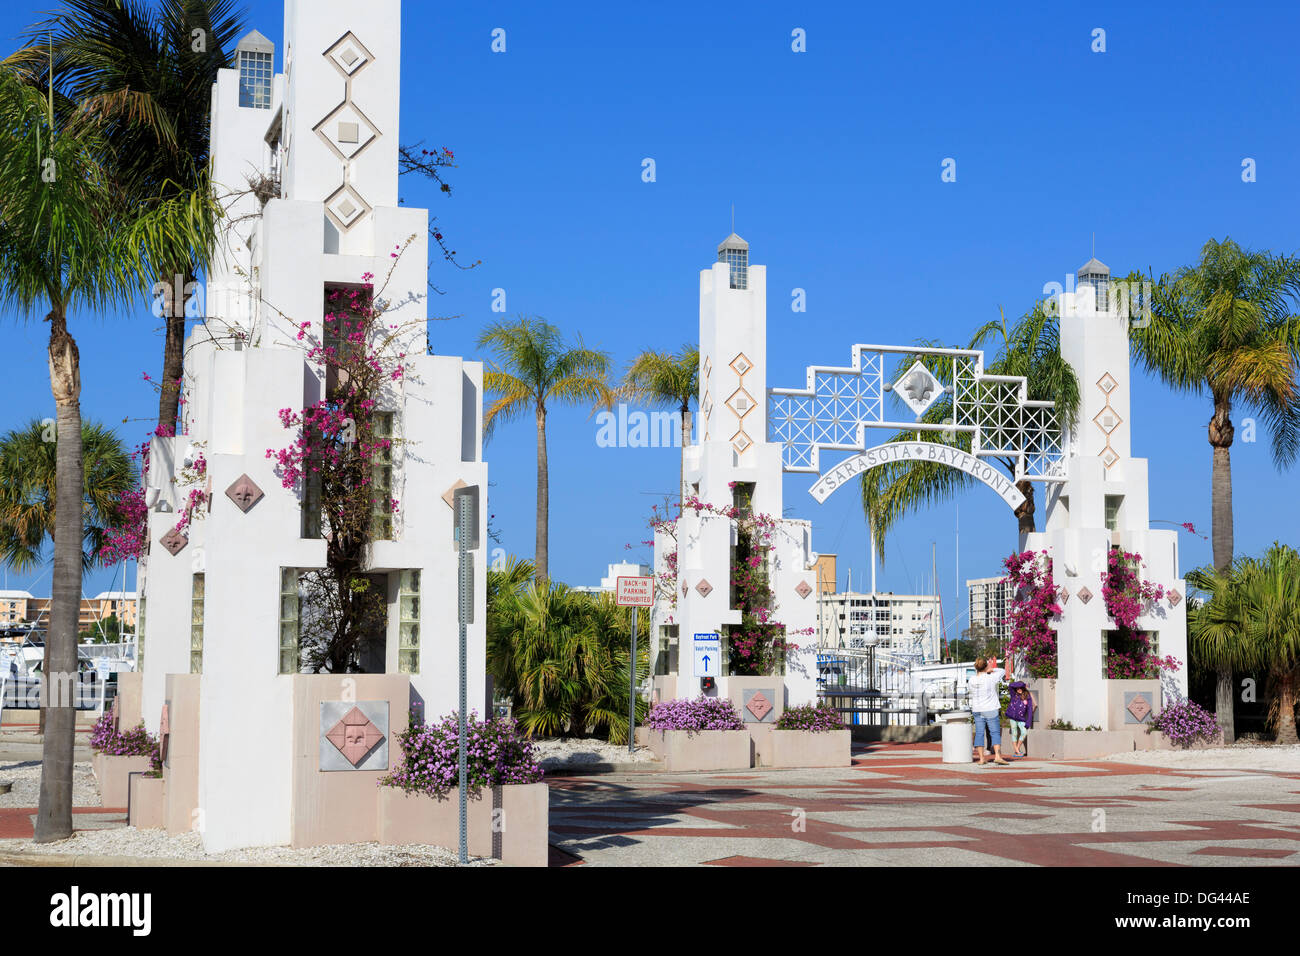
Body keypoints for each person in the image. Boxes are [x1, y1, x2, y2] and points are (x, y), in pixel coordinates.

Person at [969, 655, 1012, 766]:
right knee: (995, 733)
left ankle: (982, 758)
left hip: (977, 709)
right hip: (990, 708)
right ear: (986, 666)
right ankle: (997, 756)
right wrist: (991, 669)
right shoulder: (991, 677)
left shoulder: (972, 680)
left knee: (979, 733)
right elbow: (1002, 671)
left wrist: (986, 669)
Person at [1005, 680, 1035, 757]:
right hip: (1013, 718)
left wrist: (1028, 722)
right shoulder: (1013, 694)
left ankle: (1017, 749)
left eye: (1020, 687)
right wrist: (1019, 685)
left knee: (1024, 732)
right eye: (1017, 688)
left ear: (1023, 687)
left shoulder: (1027, 696)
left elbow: (1030, 710)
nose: (1019, 689)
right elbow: (1011, 685)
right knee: (1014, 733)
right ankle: (1017, 751)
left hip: (1021, 719)